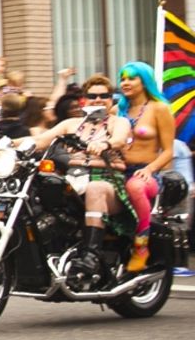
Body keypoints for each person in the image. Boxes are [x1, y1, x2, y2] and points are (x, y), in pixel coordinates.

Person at [30, 75, 134, 281]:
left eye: (104, 95)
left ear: (111, 99)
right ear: (83, 99)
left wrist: (105, 144)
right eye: (92, 95)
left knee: (95, 188)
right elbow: (40, 140)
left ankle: (91, 256)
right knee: (42, 185)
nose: (98, 99)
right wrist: (8, 143)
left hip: (107, 180)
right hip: (74, 180)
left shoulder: (118, 122)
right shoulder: (71, 123)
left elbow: (120, 139)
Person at [116, 61, 174, 272]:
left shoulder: (159, 108)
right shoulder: (118, 110)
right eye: (122, 78)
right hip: (117, 170)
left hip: (146, 172)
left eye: (132, 78)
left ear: (145, 80)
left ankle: (142, 247)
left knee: (135, 187)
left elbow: (168, 151)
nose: (125, 82)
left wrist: (149, 169)